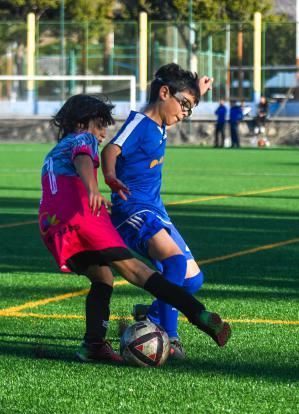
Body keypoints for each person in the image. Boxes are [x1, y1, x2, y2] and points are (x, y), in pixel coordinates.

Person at [38, 94, 231, 365]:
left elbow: (59, 186)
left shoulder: (53, 152)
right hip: (84, 218)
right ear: (82, 123)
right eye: (100, 125)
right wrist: (93, 190)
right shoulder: (83, 138)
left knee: (103, 277)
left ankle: (93, 345)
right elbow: (84, 157)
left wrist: (89, 192)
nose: (103, 133)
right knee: (138, 271)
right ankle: (198, 314)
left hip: (52, 228)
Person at [101, 63, 220, 360]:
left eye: (190, 109)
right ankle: (172, 336)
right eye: (183, 105)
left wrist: (196, 92)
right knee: (176, 264)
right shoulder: (140, 123)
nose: (184, 113)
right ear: (164, 93)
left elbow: (179, 101)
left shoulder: (162, 123)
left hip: (156, 209)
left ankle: (153, 313)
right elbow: (110, 149)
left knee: (193, 281)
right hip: (133, 210)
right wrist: (111, 177)